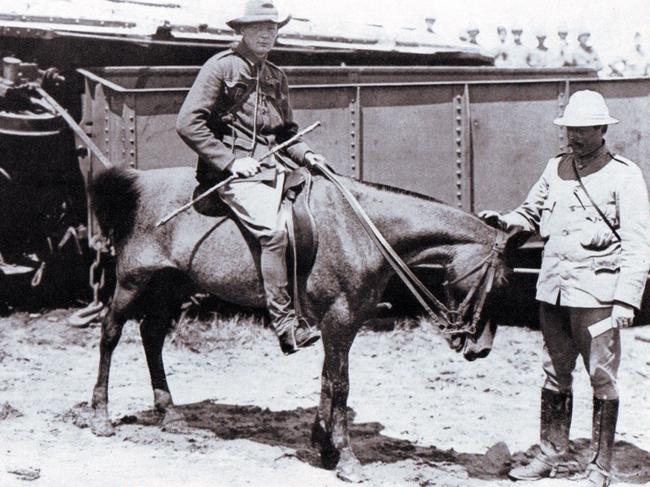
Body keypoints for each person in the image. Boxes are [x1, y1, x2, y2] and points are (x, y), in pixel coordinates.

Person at [479, 90, 650, 487]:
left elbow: (640, 244)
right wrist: (506, 220)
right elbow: (531, 212)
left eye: (584, 130)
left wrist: (627, 298)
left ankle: (600, 466)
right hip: (554, 289)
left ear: (603, 129)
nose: (575, 136)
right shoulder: (556, 167)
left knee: (601, 376)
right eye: (570, 129)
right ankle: (551, 453)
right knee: (554, 372)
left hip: (598, 295)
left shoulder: (624, 174)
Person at [176, 0, 324, 355]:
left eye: (272, 28)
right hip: (232, 175)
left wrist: (307, 155)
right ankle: (287, 326)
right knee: (273, 233)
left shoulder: (275, 75)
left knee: (316, 218)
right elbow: (187, 123)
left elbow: (287, 132)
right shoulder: (220, 67)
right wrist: (229, 161)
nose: (267, 34)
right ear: (241, 31)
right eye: (259, 27)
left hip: (275, 172)